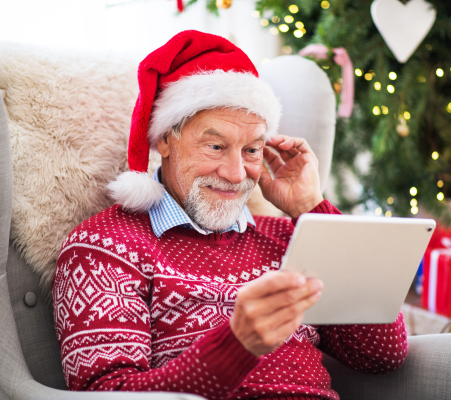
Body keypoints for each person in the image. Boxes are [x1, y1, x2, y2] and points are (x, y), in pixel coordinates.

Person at [52, 30, 408, 399]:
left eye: (252, 150)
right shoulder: (103, 246)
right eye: (216, 146)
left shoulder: (289, 239)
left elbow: (382, 354)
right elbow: (109, 393)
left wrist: (310, 208)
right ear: (164, 140)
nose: (236, 174)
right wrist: (237, 346)